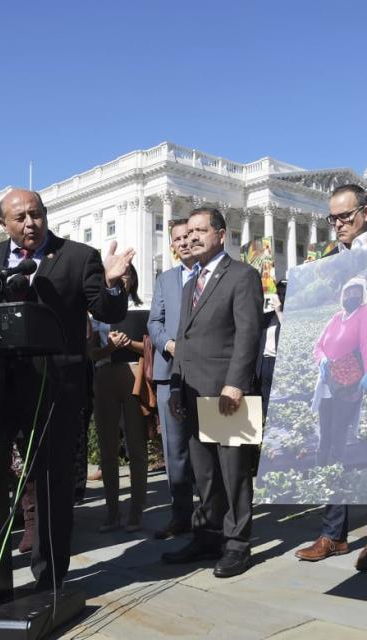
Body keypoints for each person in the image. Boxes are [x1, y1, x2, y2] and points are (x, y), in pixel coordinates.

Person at [0, 188, 132, 590]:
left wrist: (115, 285)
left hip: (56, 385)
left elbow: (107, 311)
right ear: (5, 224)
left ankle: (50, 578)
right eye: (20, 217)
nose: (30, 223)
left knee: (51, 481)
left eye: (36, 214)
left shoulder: (79, 256)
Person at [294, 184, 367, 571]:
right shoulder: (324, 261)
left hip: (366, 375)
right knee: (334, 444)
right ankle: (333, 533)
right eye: (332, 218)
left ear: (366, 213)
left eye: (345, 217)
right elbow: (321, 327)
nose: (337, 224)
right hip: (335, 378)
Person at [161, 207, 263, 578]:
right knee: (204, 472)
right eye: (188, 234)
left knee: (233, 472)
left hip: (226, 391)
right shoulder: (191, 283)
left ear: (221, 234)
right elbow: (184, 339)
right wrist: (175, 385)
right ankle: (207, 534)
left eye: (200, 231)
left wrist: (235, 383)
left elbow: (248, 334)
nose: (191, 238)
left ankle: (237, 544)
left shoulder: (242, 276)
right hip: (190, 390)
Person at [89, 264, 150, 533]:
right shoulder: (95, 315)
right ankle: (111, 511)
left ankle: (136, 512)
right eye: (116, 275)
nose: (123, 279)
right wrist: (109, 347)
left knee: (137, 447)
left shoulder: (143, 307)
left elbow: (150, 349)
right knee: (107, 449)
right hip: (103, 377)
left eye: (128, 275)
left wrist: (128, 344)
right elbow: (91, 355)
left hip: (135, 377)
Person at [148, 219, 198, 540]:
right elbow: (155, 321)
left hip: (209, 375)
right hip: (170, 373)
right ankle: (181, 515)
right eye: (176, 239)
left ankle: (216, 516)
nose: (182, 243)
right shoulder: (165, 279)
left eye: (187, 237)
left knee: (212, 447)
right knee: (175, 449)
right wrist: (168, 344)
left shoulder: (217, 275)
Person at [312, 277, 367, 468]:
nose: (351, 296)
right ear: (342, 296)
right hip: (327, 383)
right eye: (348, 293)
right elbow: (318, 346)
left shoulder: (364, 313)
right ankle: (320, 470)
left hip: (349, 383)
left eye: (356, 293)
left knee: (338, 429)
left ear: (362, 295)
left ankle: (332, 474)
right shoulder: (336, 318)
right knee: (325, 430)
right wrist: (322, 359)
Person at [257, 279, 286, 416]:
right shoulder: (267, 317)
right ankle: (264, 419)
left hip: (278, 361)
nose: (279, 297)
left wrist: (279, 310)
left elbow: (289, 333)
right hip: (264, 361)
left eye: (283, 294)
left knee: (277, 396)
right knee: (263, 394)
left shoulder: (288, 315)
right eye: (278, 293)